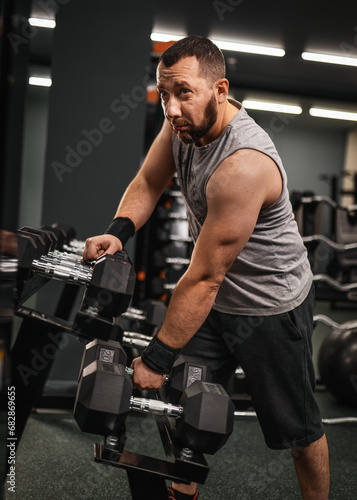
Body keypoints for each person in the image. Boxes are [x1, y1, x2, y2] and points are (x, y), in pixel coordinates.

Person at [83, 35, 330, 500]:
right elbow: (149, 180)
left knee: (297, 432)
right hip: (212, 304)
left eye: (184, 94)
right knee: (186, 401)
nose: (172, 108)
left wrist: (155, 359)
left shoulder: (244, 165)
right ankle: (183, 491)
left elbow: (203, 277)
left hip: (269, 307)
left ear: (220, 90)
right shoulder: (181, 126)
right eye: (165, 94)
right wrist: (120, 230)